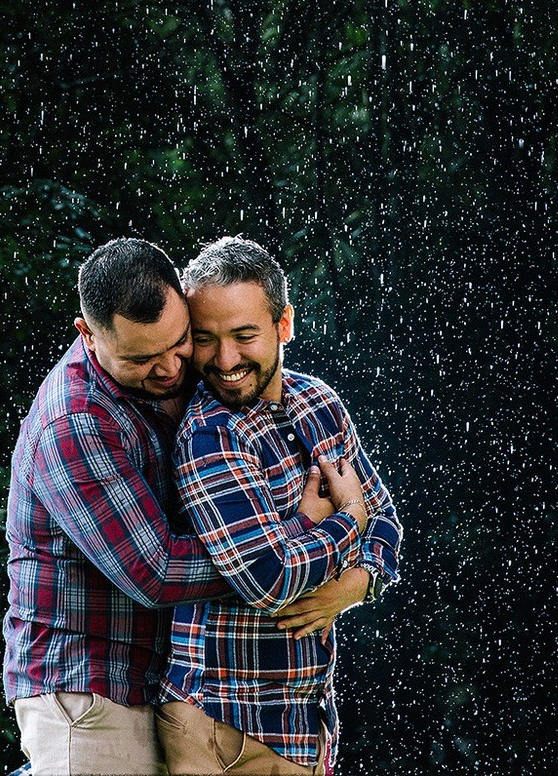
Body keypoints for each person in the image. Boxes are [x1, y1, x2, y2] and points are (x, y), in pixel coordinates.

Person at [159, 236, 401, 776]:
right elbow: (267, 579)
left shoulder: (319, 402)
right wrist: (347, 520)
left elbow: (385, 517)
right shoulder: (210, 433)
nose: (225, 360)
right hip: (220, 722)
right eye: (205, 339)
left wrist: (358, 583)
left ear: (283, 325)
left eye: (244, 336)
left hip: (304, 719)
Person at [3, 238, 233, 775]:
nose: (169, 367)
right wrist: (285, 559)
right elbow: (156, 572)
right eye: (140, 359)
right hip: (86, 691)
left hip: (172, 685)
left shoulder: (204, 369)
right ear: (87, 334)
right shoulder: (75, 421)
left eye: (178, 342)